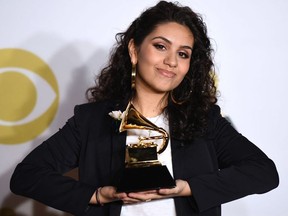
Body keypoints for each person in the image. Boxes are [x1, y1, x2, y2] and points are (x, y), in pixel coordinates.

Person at [10, 1, 279, 216]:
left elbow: (264, 173)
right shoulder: (91, 121)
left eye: (183, 53)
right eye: (161, 46)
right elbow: (27, 176)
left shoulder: (205, 121)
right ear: (135, 51)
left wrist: (187, 188)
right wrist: (97, 195)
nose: (171, 61)